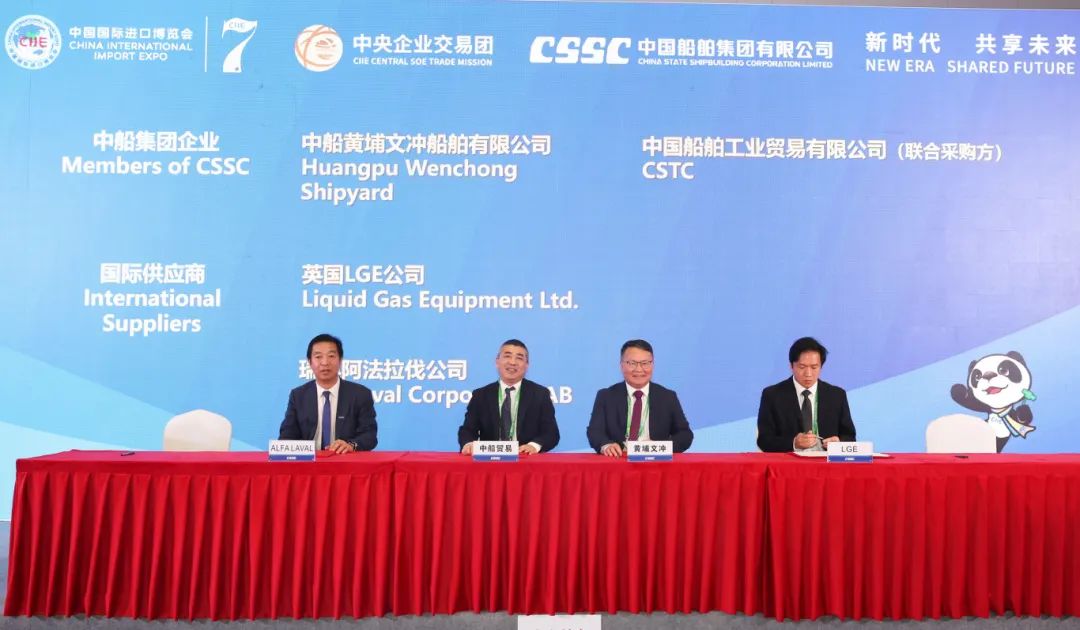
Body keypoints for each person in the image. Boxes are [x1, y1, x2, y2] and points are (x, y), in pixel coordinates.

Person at [586, 339, 694, 456]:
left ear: (652, 365)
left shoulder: (667, 397)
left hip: (655, 461)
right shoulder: (606, 396)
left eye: (645, 363)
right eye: (632, 363)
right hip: (619, 459)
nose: (638, 369)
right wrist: (606, 445)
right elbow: (594, 431)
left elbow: (685, 435)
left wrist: (659, 447)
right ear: (621, 365)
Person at [278, 333, 378, 453]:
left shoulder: (360, 394)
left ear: (340, 360)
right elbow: (286, 436)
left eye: (331, 356)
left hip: (345, 460)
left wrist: (351, 445)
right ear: (309, 362)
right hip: (310, 462)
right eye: (318, 357)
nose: (325, 362)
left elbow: (369, 436)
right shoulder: (298, 396)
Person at [458, 339, 560, 455]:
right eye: (507, 356)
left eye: (519, 358)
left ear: (527, 365)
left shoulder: (540, 394)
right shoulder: (481, 395)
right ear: (497, 361)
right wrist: (468, 444)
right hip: (490, 460)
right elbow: (467, 430)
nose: (512, 362)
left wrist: (533, 446)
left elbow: (551, 433)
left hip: (526, 459)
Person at [756, 336, 856, 453]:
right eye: (802, 367)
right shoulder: (772, 395)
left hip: (825, 461)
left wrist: (838, 443)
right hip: (789, 462)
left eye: (814, 367)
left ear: (821, 366)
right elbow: (764, 440)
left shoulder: (836, 395)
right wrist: (794, 443)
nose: (808, 374)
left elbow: (850, 437)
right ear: (791, 366)